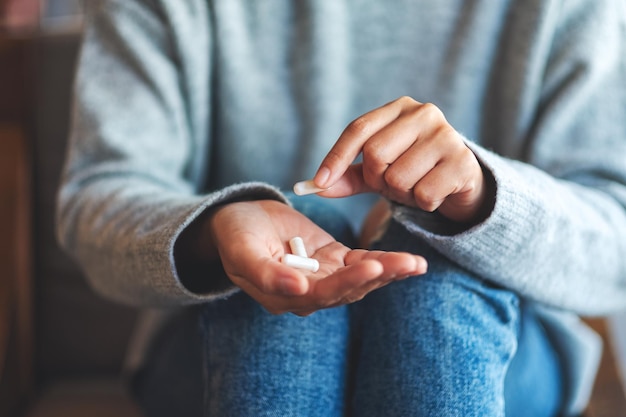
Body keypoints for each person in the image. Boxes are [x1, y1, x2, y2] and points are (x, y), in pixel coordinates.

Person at [56, 0, 626, 416]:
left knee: (433, 272)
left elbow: (614, 245)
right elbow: (99, 198)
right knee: (299, 252)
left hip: (505, 348)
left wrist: (482, 200)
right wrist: (216, 229)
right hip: (211, 342)